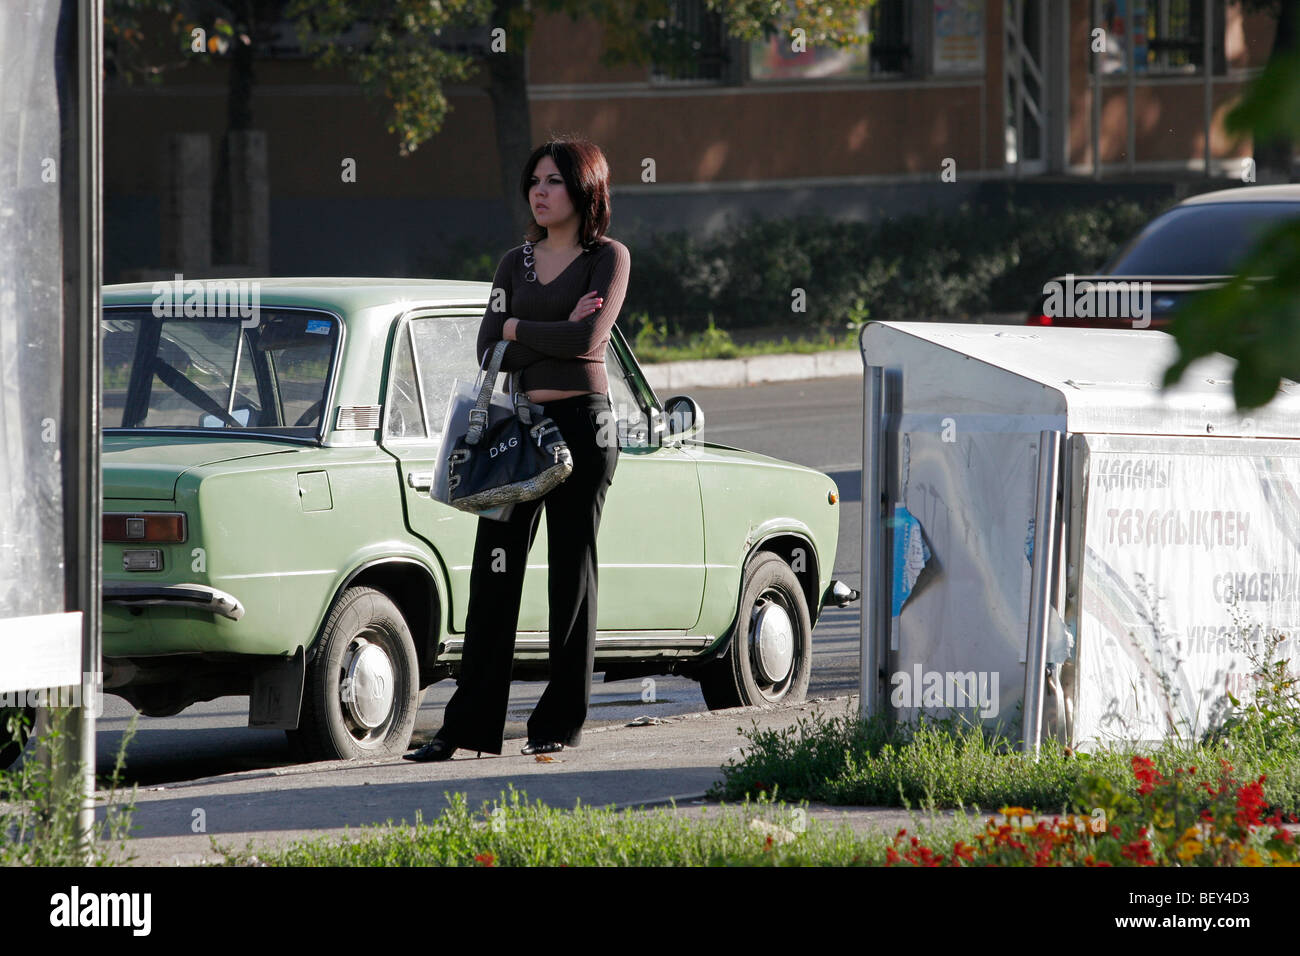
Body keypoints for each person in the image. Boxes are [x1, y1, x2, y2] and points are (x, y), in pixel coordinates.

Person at [406, 137, 630, 761]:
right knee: (494, 575)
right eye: (534, 179)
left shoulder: (608, 259)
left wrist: (517, 331)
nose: (540, 190)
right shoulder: (515, 263)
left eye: (554, 180)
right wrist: (531, 332)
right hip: (520, 431)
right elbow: (486, 350)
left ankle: (559, 723)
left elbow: (589, 339)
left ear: (585, 190)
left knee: (571, 576)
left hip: (585, 429)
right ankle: (468, 728)